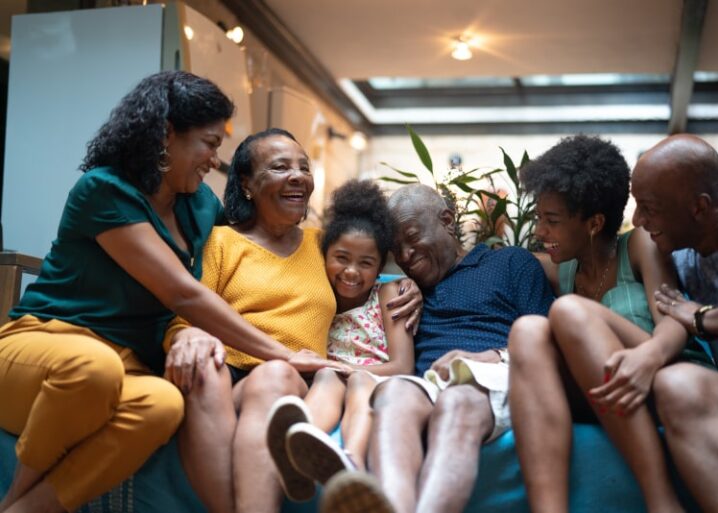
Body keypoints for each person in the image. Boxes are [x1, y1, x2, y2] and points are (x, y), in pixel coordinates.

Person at [0, 70, 266, 513]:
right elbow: (185, 295)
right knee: (93, 368)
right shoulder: (103, 189)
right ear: (166, 134)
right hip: (41, 342)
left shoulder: (202, 204)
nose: (214, 160)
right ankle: (13, 499)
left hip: (129, 366)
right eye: (210, 143)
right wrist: (286, 354)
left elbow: (244, 264)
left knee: (163, 405)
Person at [162, 131, 421, 513]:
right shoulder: (221, 243)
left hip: (291, 379)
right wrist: (186, 335)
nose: (298, 175)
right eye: (281, 167)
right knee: (203, 366)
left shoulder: (322, 245)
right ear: (247, 183)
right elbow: (186, 312)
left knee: (274, 375)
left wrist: (404, 284)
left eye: (304, 166)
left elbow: (361, 274)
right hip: (226, 381)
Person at [319, 183, 555, 513]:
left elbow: (548, 341)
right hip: (424, 384)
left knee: (458, 398)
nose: (404, 256)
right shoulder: (404, 292)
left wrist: (489, 357)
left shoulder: (511, 263)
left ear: (446, 219)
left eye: (413, 238)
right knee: (395, 394)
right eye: (396, 249)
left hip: (491, 377)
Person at [506, 135, 696, 513]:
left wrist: (647, 358)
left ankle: (661, 502)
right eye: (540, 219)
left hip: (656, 375)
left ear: (594, 222)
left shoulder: (638, 245)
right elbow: (503, 259)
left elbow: (676, 321)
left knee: (568, 312)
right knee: (527, 329)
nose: (541, 232)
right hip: (600, 392)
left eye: (552, 221)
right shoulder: (564, 265)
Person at [631, 134, 718, 513]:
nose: (638, 221)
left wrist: (704, 319)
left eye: (648, 208)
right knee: (676, 384)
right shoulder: (683, 257)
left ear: (698, 207)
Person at [265, 179, 415, 488]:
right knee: (326, 379)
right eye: (342, 258)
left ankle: (353, 458)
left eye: (366, 263)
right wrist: (330, 370)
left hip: (376, 379)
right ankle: (297, 452)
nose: (351, 271)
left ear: (380, 267)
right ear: (325, 255)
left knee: (354, 379)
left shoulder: (388, 293)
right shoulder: (316, 294)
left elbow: (402, 366)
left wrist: (341, 368)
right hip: (327, 381)